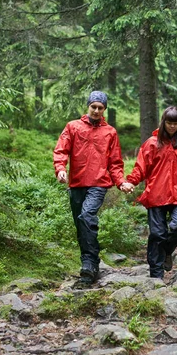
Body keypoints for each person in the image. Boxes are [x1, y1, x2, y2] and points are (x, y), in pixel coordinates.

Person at [53, 91, 134, 286]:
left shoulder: (110, 132)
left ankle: (89, 264)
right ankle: (90, 263)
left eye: (100, 108)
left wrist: (120, 182)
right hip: (77, 183)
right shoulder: (73, 127)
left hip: (98, 183)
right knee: (81, 226)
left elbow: (115, 162)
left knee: (87, 216)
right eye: (94, 107)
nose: (97, 110)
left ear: (104, 109)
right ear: (88, 106)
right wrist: (61, 169)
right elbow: (61, 149)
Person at [126, 106, 177, 279]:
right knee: (157, 234)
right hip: (156, 194)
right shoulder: (151, 143)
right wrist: (131, 182)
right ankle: (156, 277)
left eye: (175, 123)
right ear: (164, 122)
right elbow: (140, 168)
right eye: (169, 123)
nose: (172, 126)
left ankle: (167, 251)